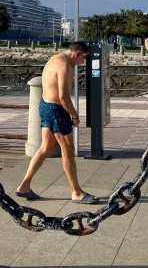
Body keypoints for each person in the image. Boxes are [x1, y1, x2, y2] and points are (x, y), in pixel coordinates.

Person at [15, 41, 98, 204]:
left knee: (45, 148)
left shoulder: (56, 58)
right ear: (77, 53)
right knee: (68, 148)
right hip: (56, 109)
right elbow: (63, 97)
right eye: (83, 58)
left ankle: (24, 186)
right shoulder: (65, 64)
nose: (83, 62)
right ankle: (76, 192)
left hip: (45, 106)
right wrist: (74, 116)